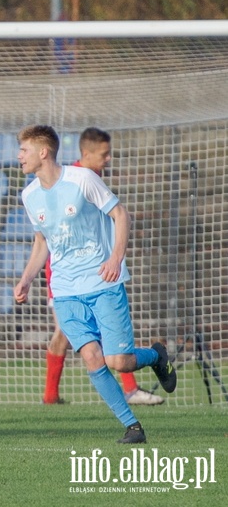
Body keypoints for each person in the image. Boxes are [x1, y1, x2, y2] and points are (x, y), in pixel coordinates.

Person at [13, 125, 177, 444]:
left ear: (43, 152)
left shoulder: (83, 180)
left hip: (102, 283)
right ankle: (132, 426)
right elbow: (42, 242)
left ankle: (156, 356)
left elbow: (120, 215)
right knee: (91, 357)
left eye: (24, 150)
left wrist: (116, 258)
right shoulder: (29, 194)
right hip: (65, 291)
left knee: (120, 361)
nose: (19, 156)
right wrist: (26, 278)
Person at [42, 127, 164, 407]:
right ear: (86, 154)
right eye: (104, 154)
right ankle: (51, 396)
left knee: (94, 335)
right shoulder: (69, 180)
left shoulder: (92, 178)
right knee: (68, 333)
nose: (108, 159)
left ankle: (56, 396)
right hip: (65, 276)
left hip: (94, 273)